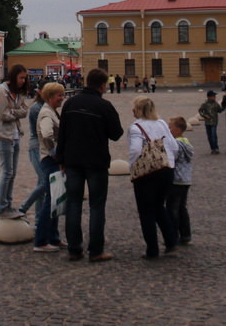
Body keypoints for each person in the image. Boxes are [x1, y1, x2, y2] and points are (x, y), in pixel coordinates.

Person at [57, 68, 123, 262]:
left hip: (73, 161)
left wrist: (61, 159)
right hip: (96, 161)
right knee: (96, 206)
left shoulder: (70, 103)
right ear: (102, 85)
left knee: (73, 204)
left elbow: (62, 134)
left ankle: (74, 249)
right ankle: (96, 251)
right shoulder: (104, 106)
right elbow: (116, 134)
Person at [128, 95, 178, 260]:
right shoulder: (162, 123)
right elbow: (174, 146)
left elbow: (135, 151)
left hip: (147, 174)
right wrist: (169, 160)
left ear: (139, 110)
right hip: (166, 169)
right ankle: (171, 242)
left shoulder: (136, 127)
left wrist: (133, 167)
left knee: (146, 212)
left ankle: (152, 249)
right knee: (159, 207)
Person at [0, 64, 30, 219]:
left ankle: (9, 204)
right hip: (3, 135)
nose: (23, 80)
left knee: (12, 173)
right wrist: (16, 112)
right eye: (21, 77)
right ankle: (2, 207)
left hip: (15, 134)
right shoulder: (2, 91)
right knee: (7, 172)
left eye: (25, 78)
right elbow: (4, 115)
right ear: (14, 77)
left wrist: (14, 111)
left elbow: (25, 110)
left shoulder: (19, 92)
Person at [33, 82, 66, 252]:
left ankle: (53, 237)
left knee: (55, 200)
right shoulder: (46, 113)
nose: (62, 98)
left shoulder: (51, 111)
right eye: (60, 95)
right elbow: (46, 134)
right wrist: (54, 151)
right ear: (51, 97)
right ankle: (40, 241)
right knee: (50, 200)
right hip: (50, 159)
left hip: (51, 159)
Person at [18, 88, 47, 219]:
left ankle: (38, 220)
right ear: (40, 92)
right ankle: (23, 207)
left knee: (42, 182)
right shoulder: (37, 108)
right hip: (37, 147)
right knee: (45, 182)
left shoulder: (46, 107)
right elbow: (43, 131)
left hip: (44, 147)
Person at [166, 116, 193, 245]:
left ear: (177, 130)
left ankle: (173, 236)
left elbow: (171, 159)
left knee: (172, 209)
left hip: (176, 180)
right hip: (186, 180)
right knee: (182, 208)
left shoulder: (176, 144)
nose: (167, 130)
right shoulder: (186, 142)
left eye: (169, 127)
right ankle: (186, 235)